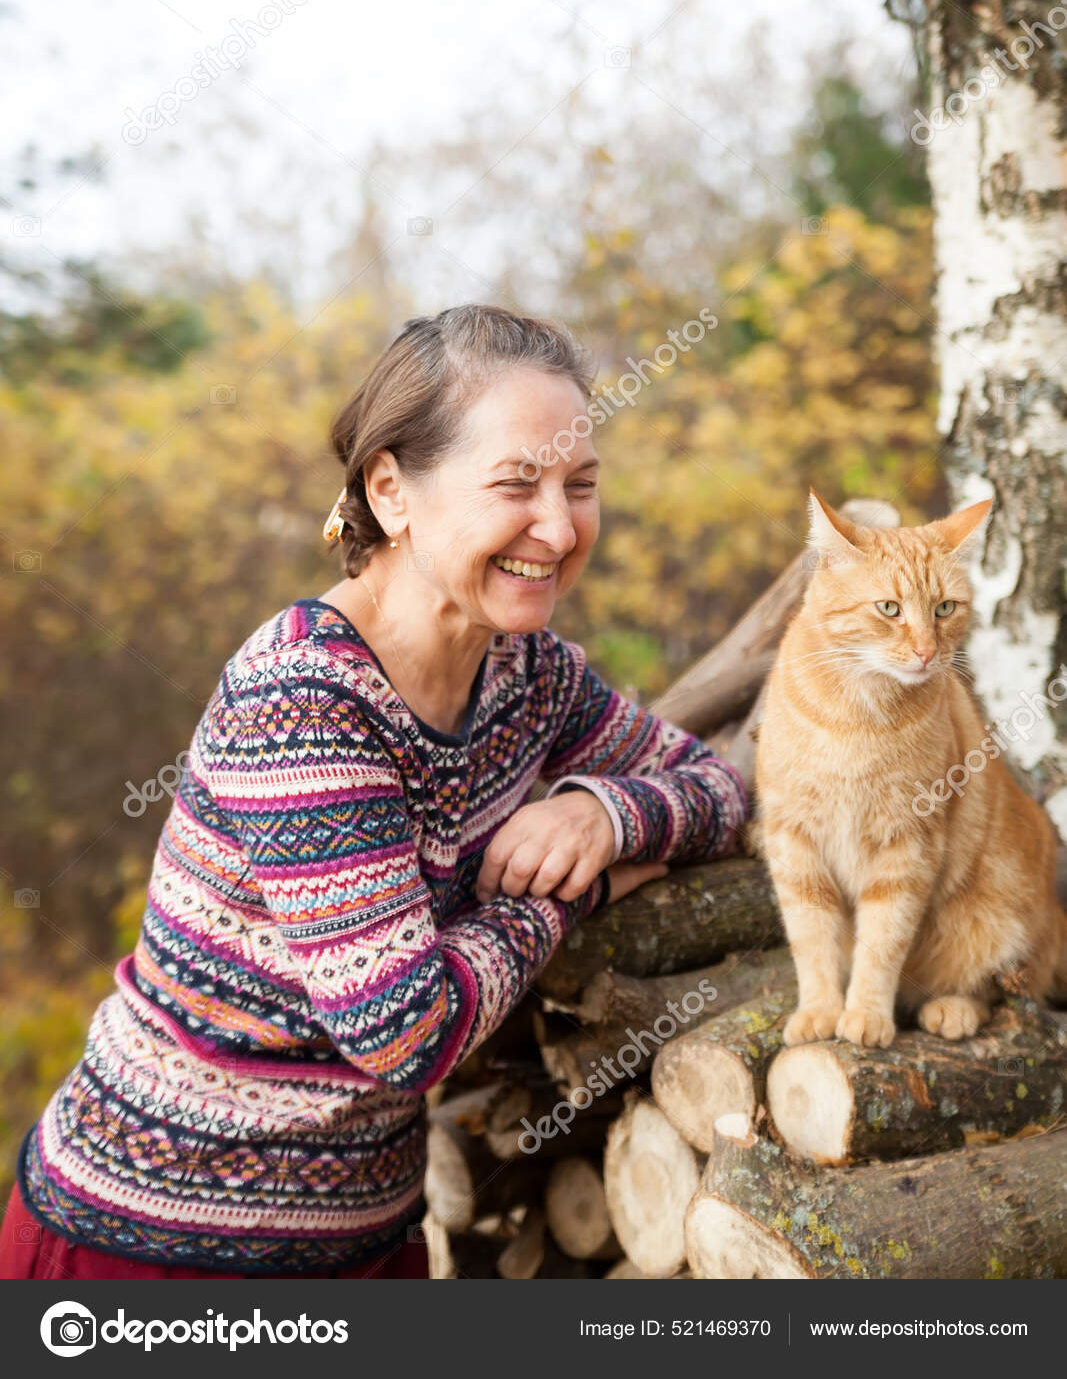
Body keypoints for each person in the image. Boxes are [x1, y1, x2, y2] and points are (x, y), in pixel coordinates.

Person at [0, 303, 749, 1280]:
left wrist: (602, 814)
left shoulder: (529, 674)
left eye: (581, 484)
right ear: (392, 489)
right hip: (148, 1251)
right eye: (516, 483)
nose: (560, 526)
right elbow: (407, 1031)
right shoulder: (305, 694)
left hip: (369, 1243)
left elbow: (721, 785)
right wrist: (575, 885)